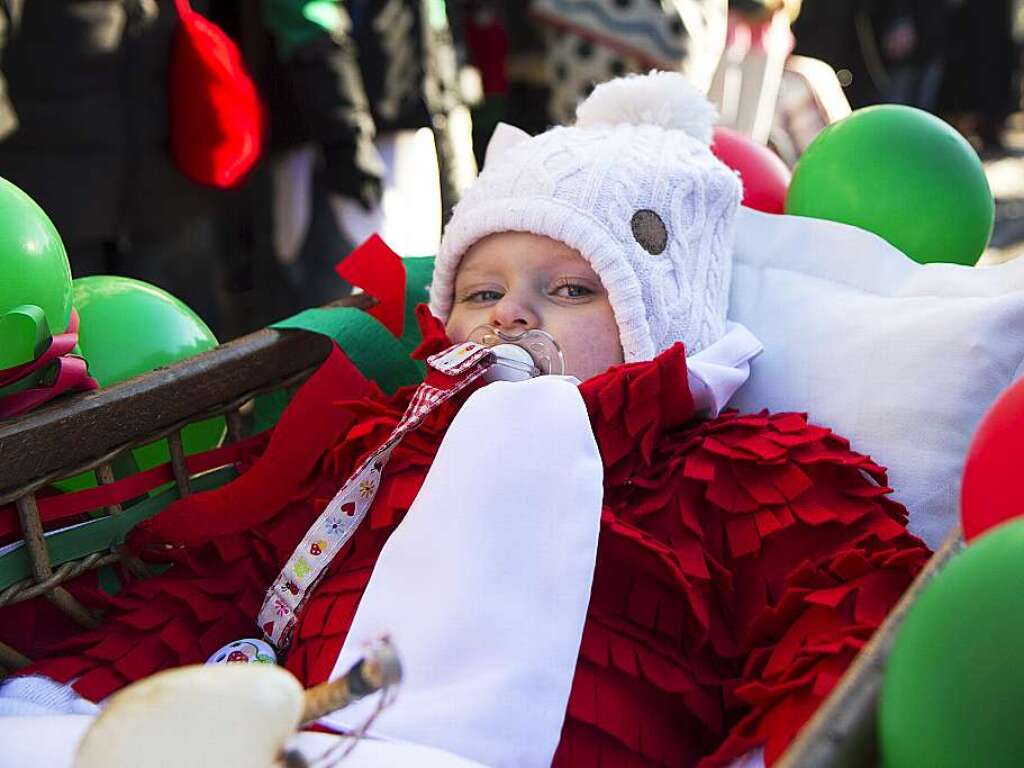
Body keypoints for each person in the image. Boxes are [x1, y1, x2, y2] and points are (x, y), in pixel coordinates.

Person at [0, 72, 929, 767]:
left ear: (664, 323)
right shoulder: (390, 443)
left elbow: (846, 627)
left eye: (569, 289)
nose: (510, 314)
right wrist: (57, 704)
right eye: (481, 290)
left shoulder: (745, 469)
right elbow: (236, 578)